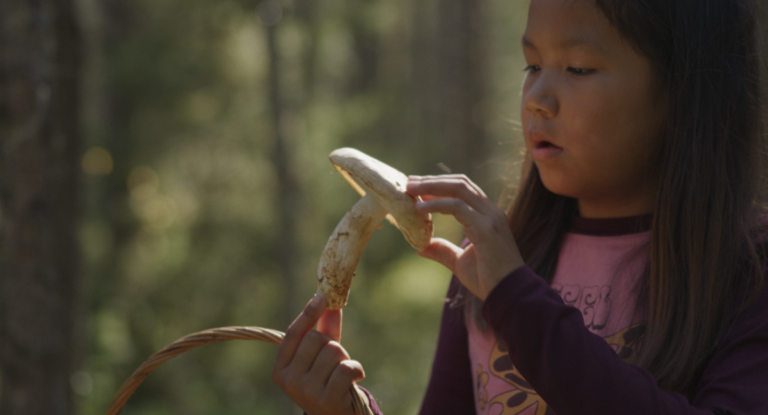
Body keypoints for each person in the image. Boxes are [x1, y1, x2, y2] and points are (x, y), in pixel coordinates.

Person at [271, 0, 768, 413]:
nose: (536, 98)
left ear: (686, 88)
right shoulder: (487, 263)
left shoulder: (750, 265)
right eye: (532, 65)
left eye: (578, 68)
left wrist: (517, 300)